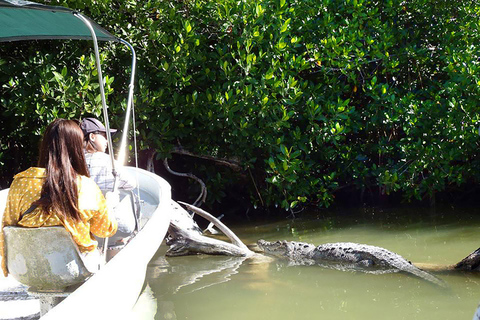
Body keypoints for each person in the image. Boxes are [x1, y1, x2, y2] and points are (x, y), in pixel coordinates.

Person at [0, 119, 118, 277]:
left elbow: (7, 226)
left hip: (27, 271)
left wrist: (5, 265)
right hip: (75, 270)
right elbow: (105, 230)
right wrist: (109, 206)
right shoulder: (85, 186)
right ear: (76, 148)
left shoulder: (20, 183)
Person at [80, 117, 137, 242]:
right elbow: (132, 183)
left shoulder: (73, 162)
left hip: (84, 226)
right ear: (92, 137)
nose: (107, 140)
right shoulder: (107, 160)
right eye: (104, 135)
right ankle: (123, 239)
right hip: (114, 225)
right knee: (127, 192)